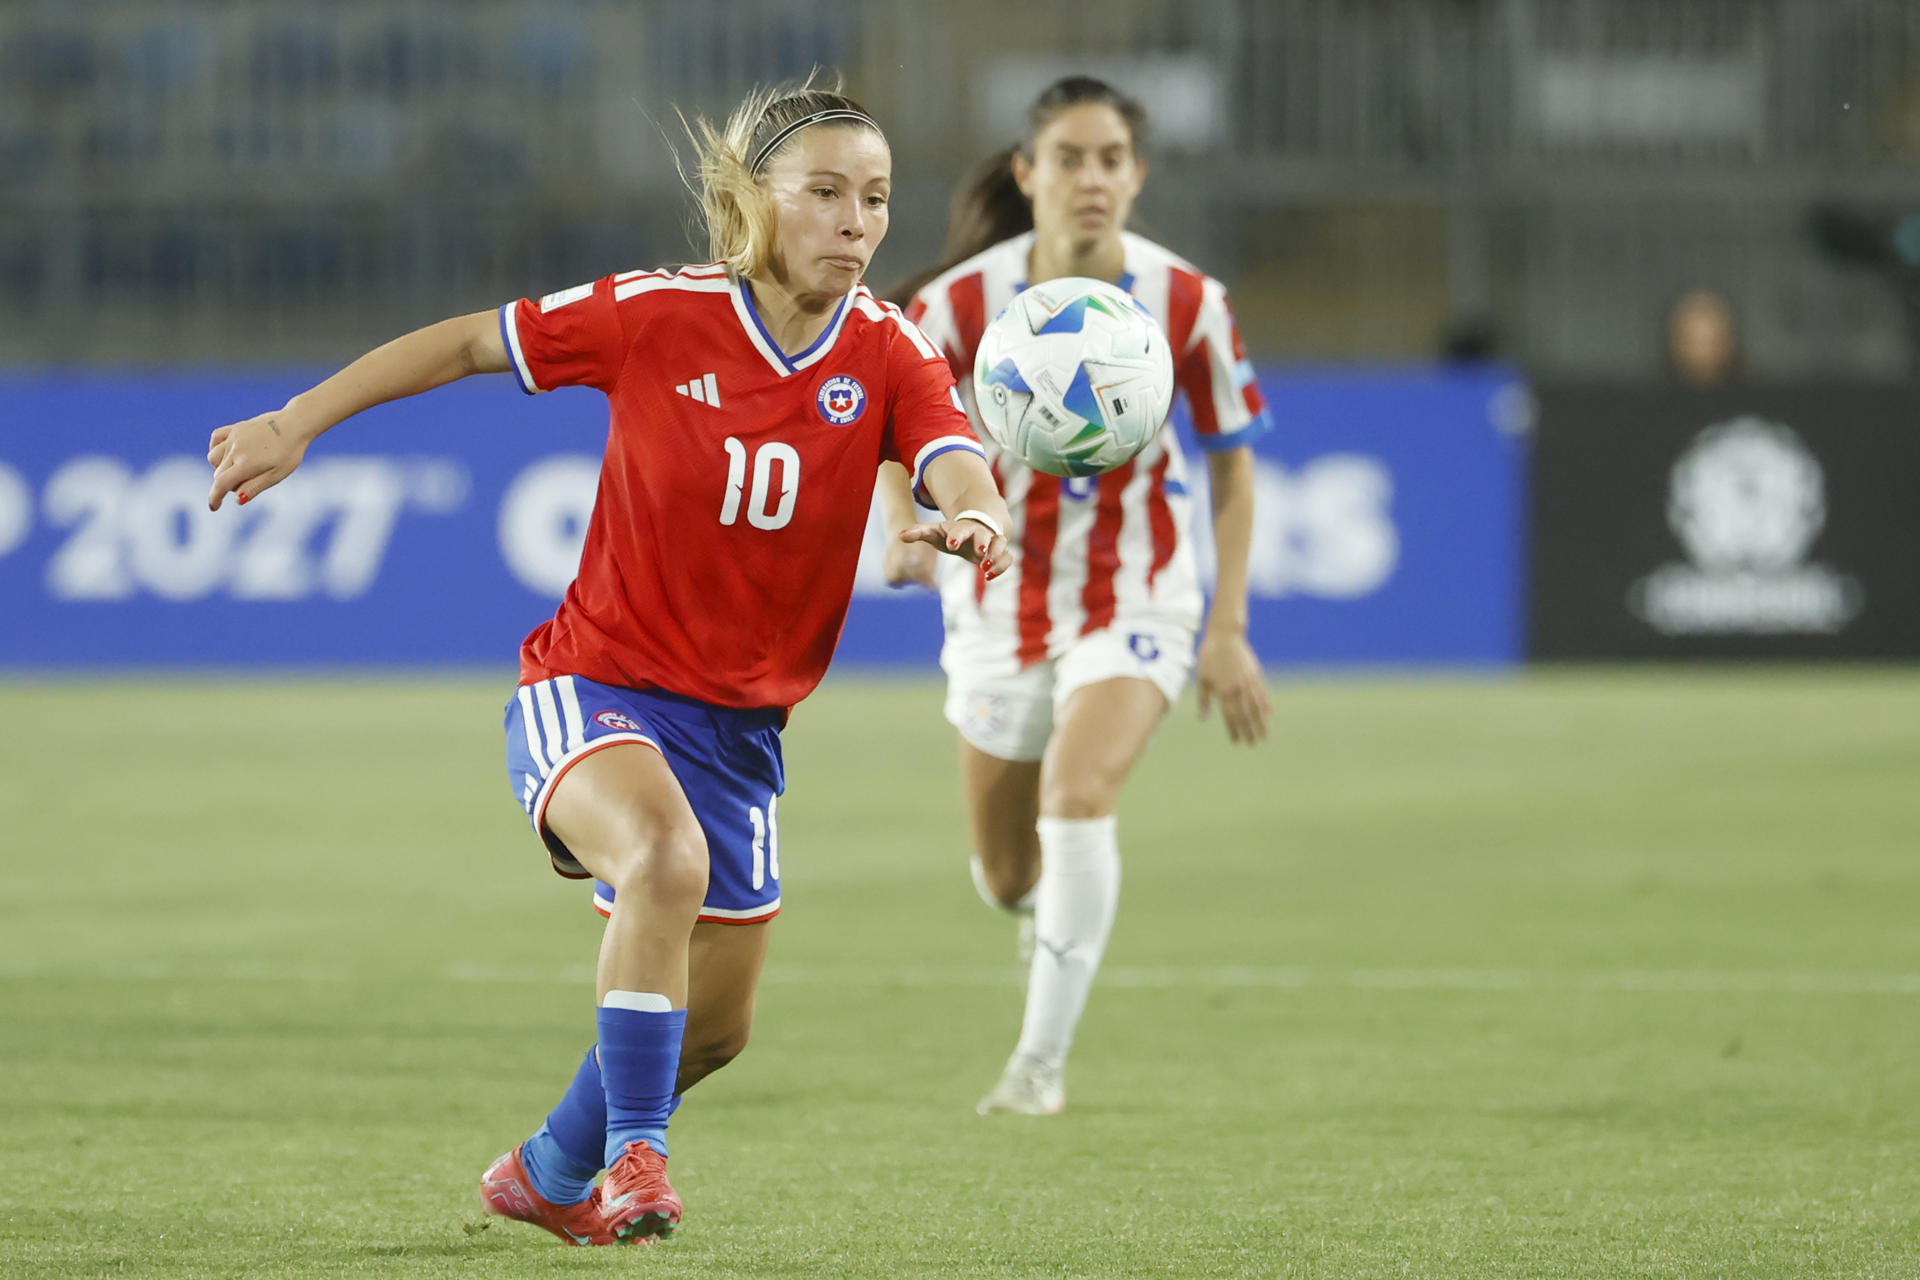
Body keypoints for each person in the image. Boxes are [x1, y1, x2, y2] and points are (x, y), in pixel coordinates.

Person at [204, 79, 1011, 1246]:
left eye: (877, 198)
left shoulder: (890, 349)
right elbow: (469, 341)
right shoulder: (658, 312)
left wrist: (975, 514)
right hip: (595, 684)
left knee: (717, 1027)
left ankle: (548, 1170)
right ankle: (640, 1158)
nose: (856, 221)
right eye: (826, 192)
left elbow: (952, 451)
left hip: (741, 730)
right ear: (755, 197)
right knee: (663, 859)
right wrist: (296, 421)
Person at [874, 75, 1273, 1117]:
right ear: (1027, 172)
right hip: (998, 604)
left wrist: (1227, 627)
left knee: (1078, 794)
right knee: (1007, 875)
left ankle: (1036, 1067)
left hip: (1137, 593)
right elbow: (893, 426)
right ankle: (1042, 915)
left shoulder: (1188, 302)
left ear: (1137, 176)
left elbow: (1232, 468)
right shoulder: (955, 305)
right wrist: (901, 523)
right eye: (1068, 158)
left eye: (1110, 160)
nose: (1090, 178)